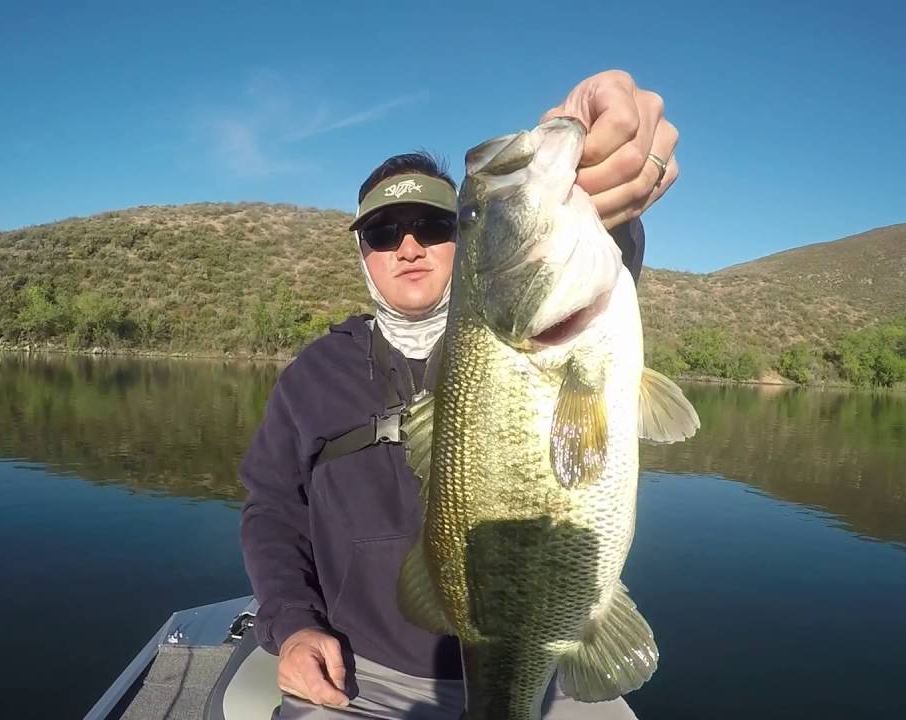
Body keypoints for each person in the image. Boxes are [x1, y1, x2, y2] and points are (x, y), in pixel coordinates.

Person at [238, 69, 679, 719]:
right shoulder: (313, 375)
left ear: (464, 243)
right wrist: (292, 623)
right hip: (357, 679)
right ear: (363, 253)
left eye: (436, 225)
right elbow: (272, 509)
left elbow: (587, 254)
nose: (408, 246)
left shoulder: (528, 326)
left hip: (532, 669)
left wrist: (603, 176)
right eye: (384, 233)